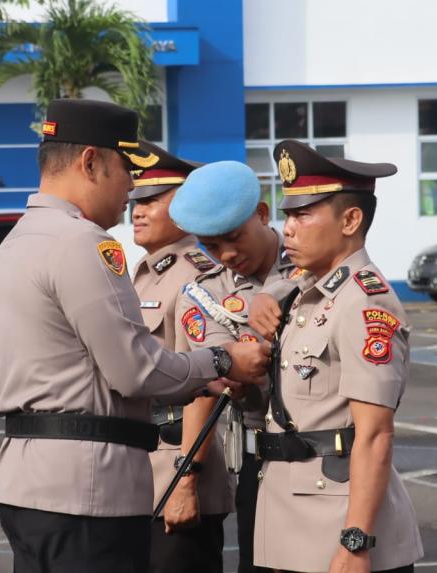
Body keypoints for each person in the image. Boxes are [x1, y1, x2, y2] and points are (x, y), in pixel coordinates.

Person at [0, 99, 272, 573]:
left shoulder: (19, 239)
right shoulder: (82, 242)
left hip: (28, 481)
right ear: (90, 162)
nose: (130, 190)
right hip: (86, 490)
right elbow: (135, 369)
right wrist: (220, 362)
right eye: (125, 171)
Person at [246, 140, 424, 572]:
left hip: (336, 527)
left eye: (304, 214)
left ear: (350, 220)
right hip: (288, 518)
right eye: (288, 214)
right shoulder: (307, 291)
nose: (289, 228)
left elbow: (376, 434)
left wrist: (356, 540)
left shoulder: (365, 302)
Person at [167, 160, 294, 573]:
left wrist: (275, 290)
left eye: (234, 238)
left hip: (333, 459)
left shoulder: (314, 264)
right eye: (210, 245)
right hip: (263, 462)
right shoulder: (203, 296)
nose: (227, 254)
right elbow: (225, 374)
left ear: (262, 213)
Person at [130, 142, 233, 573]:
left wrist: (185, 480)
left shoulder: (196, 277)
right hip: (142, 472)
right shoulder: (146, 272)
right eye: (135, 199)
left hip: (176, 470)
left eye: (152, 200)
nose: (137, 210)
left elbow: (209, 382)